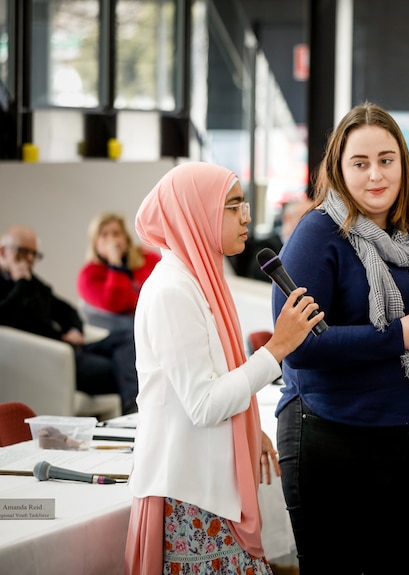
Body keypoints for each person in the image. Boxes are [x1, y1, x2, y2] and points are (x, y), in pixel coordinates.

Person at [272, 101, 409, 574]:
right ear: (339, 169)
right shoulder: (317, 235)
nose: (375, 176)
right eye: (360, 163)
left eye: (386, 161)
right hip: (334, 436)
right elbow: (298, 347)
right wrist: (398, 337)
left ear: (403, 165)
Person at [124, 162, 324, 575]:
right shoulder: (171, 291)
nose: (247, 216)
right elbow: (203, 404)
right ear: (195, 213)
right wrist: (278, 347)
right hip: (189, 493)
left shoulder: (200, 280)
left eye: (243, 204)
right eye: (233, 206)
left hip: (205, 488)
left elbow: (215, 378)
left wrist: (249, 426)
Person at [0, 224, 139, 413]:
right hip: (51, 358)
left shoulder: (34, 284)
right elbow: (5, 317)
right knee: (123, 365)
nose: (31, 259)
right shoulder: (23, 282)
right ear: (2, 251)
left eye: (35, 254)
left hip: (70, 347)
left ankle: (133, 407)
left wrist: (75, 330)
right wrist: (21, 283)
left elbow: (68, 312)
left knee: (128, 335)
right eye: (24, 252)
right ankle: (134, 409)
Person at [77, 212, 160, 333]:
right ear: (95, 242)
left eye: (116, 234)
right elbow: (115, 304)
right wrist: (115, 264)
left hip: (157, 315)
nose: (112, 240)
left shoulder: (146, 257)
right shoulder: (88, 275)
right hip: (124, 332)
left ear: (126, 238)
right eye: (104, 235)